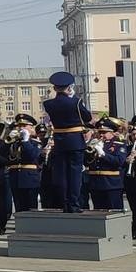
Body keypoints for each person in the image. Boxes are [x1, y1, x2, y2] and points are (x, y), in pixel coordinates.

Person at [41, 72, 92, 214]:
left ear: (55, 87)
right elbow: (87, 117)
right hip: (75, 140)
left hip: (59, 141)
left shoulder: (48, 104)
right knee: (75, 174)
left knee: (62, 174)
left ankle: (65, 203)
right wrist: (75, 98)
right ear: (69, 87)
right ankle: (74, 204)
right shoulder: (75, 102)